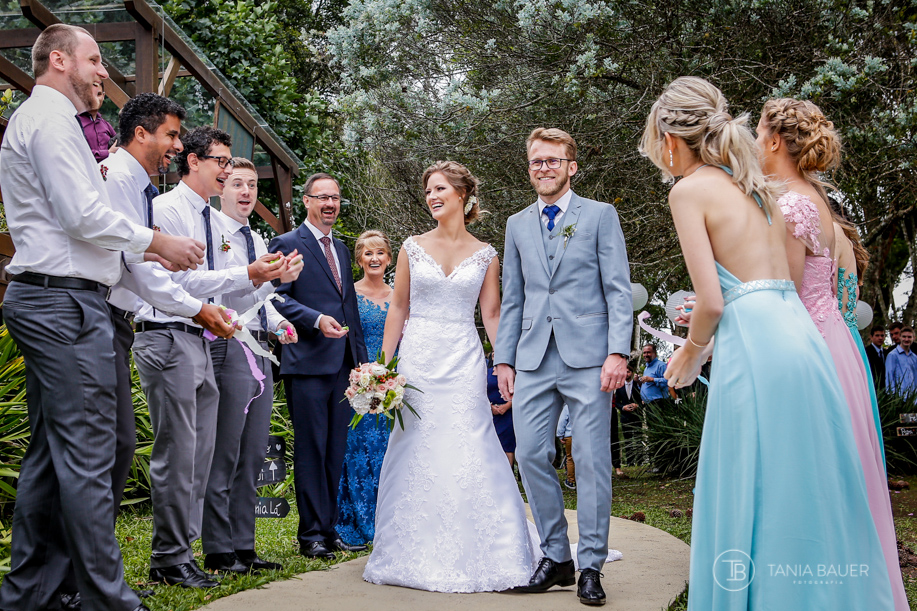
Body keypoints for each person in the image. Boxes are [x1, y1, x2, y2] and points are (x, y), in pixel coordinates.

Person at [641, 75, 895, 609]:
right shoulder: (752, 184)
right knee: (807, 489)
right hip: (800, 338)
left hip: (756, 347)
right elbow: (776, 280)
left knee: (750, 487)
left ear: (668, 139)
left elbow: (711, 302)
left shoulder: (689, 190)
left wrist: (689, 352)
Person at [0, 24, 207, 611]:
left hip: (60, 299)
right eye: (95, 61)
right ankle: (107, 599)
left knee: (50, 456)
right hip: (62, 302)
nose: (104, 74)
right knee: (91, 454)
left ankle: (31, 593)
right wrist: (156, 241)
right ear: (59, 60)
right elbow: (81, 216)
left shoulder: (52, 124)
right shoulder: (47, 122)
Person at [758, 96, 906, 608]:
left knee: (810, 470)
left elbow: (785, 294)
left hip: (811, 346)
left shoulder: (792, 203)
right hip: (840, 342)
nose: (754, 144)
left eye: (758, 133)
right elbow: (844, 294)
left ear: (775, 141)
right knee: (845, 471)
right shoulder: (819, 201)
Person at [364, 160, 536, 592]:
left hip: (463, 359)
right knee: (417, 448)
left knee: (470, 444)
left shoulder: (485, 254)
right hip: (418, 360)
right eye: (428, 192)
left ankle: (488, 548)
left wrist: (504, 363)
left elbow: (491, 314)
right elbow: (398, 308)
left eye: (440, 189)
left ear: (462, 194)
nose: (432, 197)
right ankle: (409, 549)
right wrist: (382, 369)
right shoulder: (410, 247)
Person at [134, 127, 292, 589]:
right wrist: (244, 274)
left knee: (198, 458)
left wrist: (257, 279)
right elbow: (173, 284)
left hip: (199, 336)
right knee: (179, 456)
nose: (229, 171)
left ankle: (183, 556)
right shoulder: (164, 210)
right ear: (194, 162)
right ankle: (172, 557)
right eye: (222, 162)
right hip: (167, 333)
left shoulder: (202, 213)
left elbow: (210, 282)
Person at [495, 127, 632, 606]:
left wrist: (620, 351)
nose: (544, 168)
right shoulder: (516, 224)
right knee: (531, 453)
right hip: (532, 358)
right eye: (537, 162)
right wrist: (504, 358)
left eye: (553, 161)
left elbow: (618, 288)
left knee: (593, 462)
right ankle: (557, 557)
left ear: (571, 166)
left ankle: (591, 563)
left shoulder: (599, 215)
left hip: (590, 358)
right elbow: (513, 297)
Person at [201, 157, 302, 574]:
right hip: (228, 345)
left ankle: (244, 544)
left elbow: (264, 300)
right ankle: (218, 548)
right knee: (225, 449)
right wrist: (259, 278)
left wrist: (281, 324)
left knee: (254, 451)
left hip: (261, 348)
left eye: (252, 186)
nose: (246, 192)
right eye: (238, 184)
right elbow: (223, 286)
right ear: (221, 188)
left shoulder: (259, 240)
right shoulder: (211, 231)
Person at [269, 173, 369, 560]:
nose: (330, 204)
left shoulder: (342, 250)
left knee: (335, 451)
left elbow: (350, 310)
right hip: (307, 364)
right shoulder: (287, 244)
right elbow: (274, 298)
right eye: (322, 197)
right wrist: (313, 320)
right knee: (311, 450)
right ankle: (310, 534)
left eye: (336, 197)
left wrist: (361, 365)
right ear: (306, 201)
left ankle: (329, 530)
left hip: (343, 368)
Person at [337, 230, 394, 545]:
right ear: (359, 259)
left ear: (388, 258)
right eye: (368, 254)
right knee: (359, 451)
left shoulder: (398, 294)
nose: (374, 259)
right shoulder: (350, 294)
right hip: (358, 382)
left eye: (380, 253)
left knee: (389, 451)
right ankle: (359, 518)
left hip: (391, 384)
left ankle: (388, 519)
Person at [486, 351, 516, 468]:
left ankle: (509, 474)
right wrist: (490, 407)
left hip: (508, 414)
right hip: (490, 414)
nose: (495, 355)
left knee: (507, 445)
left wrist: (507, 406)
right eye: (493, 353)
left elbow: (519, 392)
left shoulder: (512, 372)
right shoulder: (486, 373)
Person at [612, 362, 643, 475]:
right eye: (624, 372)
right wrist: (623, 407)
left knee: (638, 438)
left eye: (628, 371)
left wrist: (637, 405)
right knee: (627, 439)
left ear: (632, 372)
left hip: (637, 416)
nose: (626, 373)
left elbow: (643, 399)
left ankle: (639, 461)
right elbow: (617, 403)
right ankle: (630, 461)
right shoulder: (619, 387)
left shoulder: (637, 385)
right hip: (625, 417)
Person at [77, 88, 116, 161]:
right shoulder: (76, 122)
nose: (95, 98)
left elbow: (118, 142)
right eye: (90, 94)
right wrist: (108, 153)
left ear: (103, 96)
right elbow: (77, 152)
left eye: (99, 94)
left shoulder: (105, 124)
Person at [887, 327, 917, 397]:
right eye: (904, 337)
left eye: (909, 337)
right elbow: (889, 377)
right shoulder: (892, 355)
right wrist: (892, 396)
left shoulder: (914, 357)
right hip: (899, 398)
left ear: (914, 338)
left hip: (913, 399)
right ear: (900, 337)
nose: (906, 339)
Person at [555, 405, 575, 489]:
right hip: (584, 435)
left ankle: (571, 481)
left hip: (570, 435)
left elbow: (562, 421)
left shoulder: (568, 406)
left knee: (570, 458)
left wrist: (560, 435)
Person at [866, 325, 887, 391]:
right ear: (871, 337)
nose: (880, 338)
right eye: (877, 335)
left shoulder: (887, 353)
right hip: (872, 388)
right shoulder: (866, 352)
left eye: (882, 335)